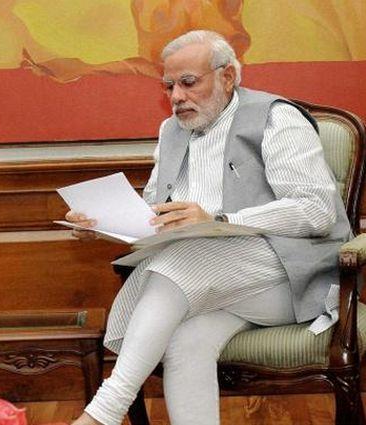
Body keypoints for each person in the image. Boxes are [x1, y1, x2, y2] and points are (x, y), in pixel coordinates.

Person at [67, 30, 350, 425]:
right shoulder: (171, 132)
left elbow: (316, 210)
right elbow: (156, 210)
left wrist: (220, 221)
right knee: (186, 341)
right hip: (212, 285)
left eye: (188, 83)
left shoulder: (276, 119)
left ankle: (104, 412)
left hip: (290, 280)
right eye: (169, 86)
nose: (176, 97)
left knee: (185, 258)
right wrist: (103, 223)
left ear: (227, 77)